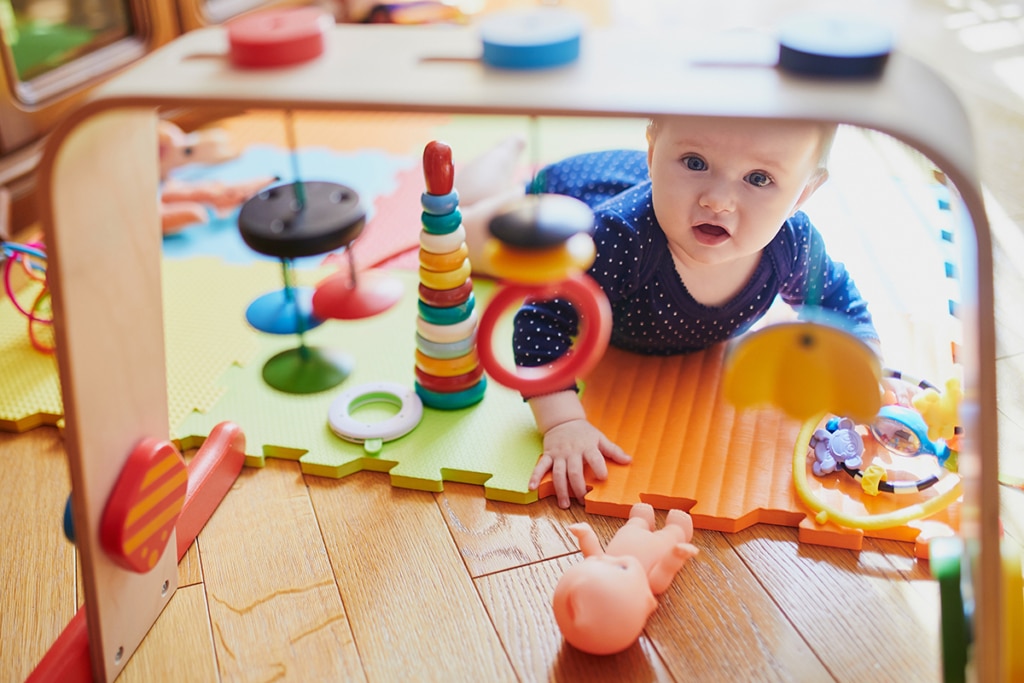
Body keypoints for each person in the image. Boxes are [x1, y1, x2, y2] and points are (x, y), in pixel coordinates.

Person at [458, 116, 879, 509]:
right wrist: (561, 423)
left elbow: (837, 298)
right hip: (572, 199)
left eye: (759, 178)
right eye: (695, 162)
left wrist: (863, 364)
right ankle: (502, 161)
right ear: (654, 150)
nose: (717, 200)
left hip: (634, 186)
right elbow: (540, 321)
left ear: (802, 194)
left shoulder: (792, 244)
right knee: (459, 237)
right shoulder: (615, 239)